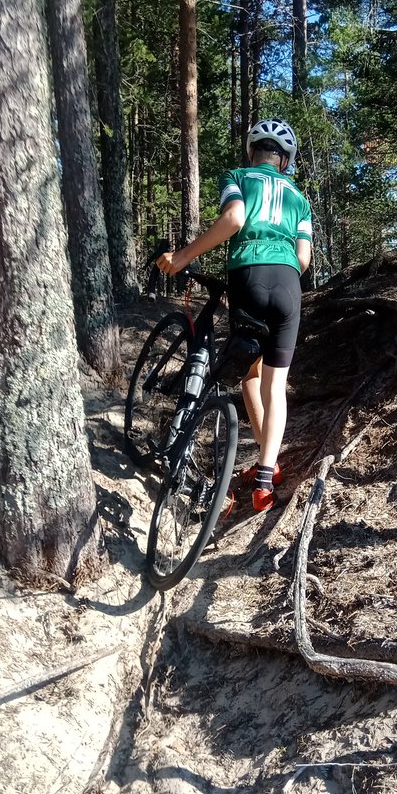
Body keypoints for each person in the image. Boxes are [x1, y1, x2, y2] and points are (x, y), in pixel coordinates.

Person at [156, 118, 312, 511]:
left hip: (250, 274)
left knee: (241, 372)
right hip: (289, 282)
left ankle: (200, 460)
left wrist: (182, 257)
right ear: (285, 160)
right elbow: (304, 257)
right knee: (268, 383)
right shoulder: (300, 197)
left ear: (252, 150)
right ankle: (265, 476)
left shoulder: (238, 176)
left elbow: (234, 220)